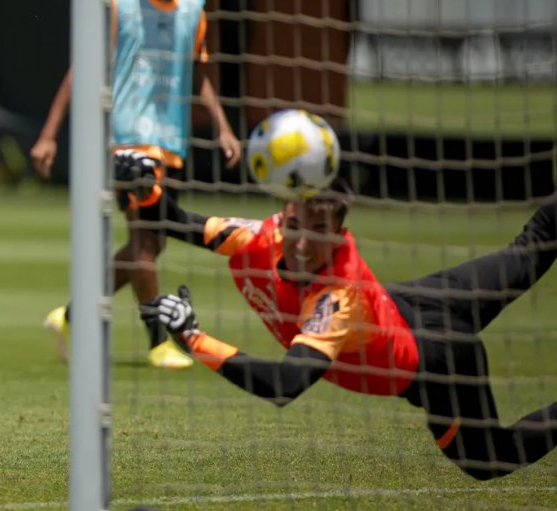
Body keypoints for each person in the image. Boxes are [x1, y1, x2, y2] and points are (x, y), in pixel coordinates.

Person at [119, 151, 557, 480]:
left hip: (438, 359)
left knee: (488, 461)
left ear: (340, 233)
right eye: (295, 226)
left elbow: (284, 385)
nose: (302, 244)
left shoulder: (334, 300)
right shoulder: (260, 235)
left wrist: (195, 337)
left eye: (319, 233)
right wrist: (145, 187)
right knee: (532, 248)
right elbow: (175, 221)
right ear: (283, 217)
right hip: (413, 303)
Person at [33, 0, 242, 369]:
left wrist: (223, 125)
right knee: (145, 244)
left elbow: (199, 73)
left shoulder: (193, 9)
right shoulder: (119, 5)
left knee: (152, 244)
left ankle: (72, 315)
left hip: (170, 140)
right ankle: (158, 340)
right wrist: (50, 133)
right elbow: (82, 69)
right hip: (128, 141)